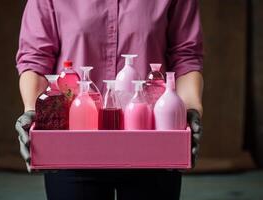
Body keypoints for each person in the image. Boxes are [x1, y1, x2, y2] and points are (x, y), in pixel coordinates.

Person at [15, 0, 203, 199]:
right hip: (72, 145)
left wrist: (190, 109)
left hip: (152, 143)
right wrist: (32, 110)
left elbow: (185, 58)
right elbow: (35, 59)